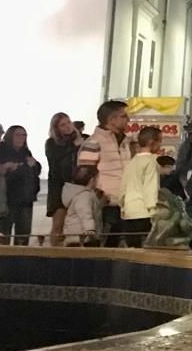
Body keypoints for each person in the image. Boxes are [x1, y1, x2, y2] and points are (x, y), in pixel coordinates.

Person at [81, 100, 131, 242]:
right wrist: (99, 195)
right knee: (105, 246)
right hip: (106, 205)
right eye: (123, 116)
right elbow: (84, 176)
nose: (128, 120)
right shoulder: (94, 142)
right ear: (111, 119)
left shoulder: (125, 142)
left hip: (126, 204)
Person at [118, 127, 164, 248]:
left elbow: (123, 186)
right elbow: (151, 186)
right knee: (148, 249)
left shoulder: (132, 162)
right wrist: (153, 209)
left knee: (133, 248)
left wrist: (122, 205)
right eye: (160, 142)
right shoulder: (151, 161)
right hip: (145, 212)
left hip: (129, 210)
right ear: (152, 143)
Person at [44, 112, 83, 241]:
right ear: (56, 128)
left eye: (68, 122)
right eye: (62, 125)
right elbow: (55, 160)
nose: (67, 127)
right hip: (59, 186)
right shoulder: (51, 143)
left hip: (79, 185)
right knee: (58, 225)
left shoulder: (82, 139)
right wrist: (74, 146)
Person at [0, 125, 41, 244]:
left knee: (23, 234)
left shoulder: (25, 151)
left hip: (26, 198)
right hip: (8, 199)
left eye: (24, 135)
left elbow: (35, 169)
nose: (21, 138)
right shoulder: (2, 151)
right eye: (18, 135)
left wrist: (33, 165)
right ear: (10, 136)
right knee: (4, 234)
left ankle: (20, 260)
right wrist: (21, 167)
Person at [60, 166, 104, 245]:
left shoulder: (83, 194)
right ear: (92, 180)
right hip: (81, 237)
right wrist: (90, 230)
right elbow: (85, 214)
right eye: (97, 178)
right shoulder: (84, 196)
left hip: (77, 236)